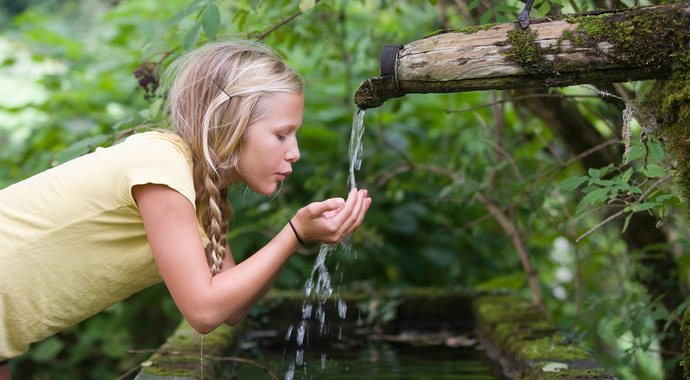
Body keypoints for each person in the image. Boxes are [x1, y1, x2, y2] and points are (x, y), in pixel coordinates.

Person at [0, 40, 372, 379]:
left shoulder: (197, 191)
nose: (294, 152)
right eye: (281, 134)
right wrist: (293, 234)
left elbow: (230, 310)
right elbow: (204, 310)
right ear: (232, 123)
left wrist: (298, 238)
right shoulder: (160, 165)